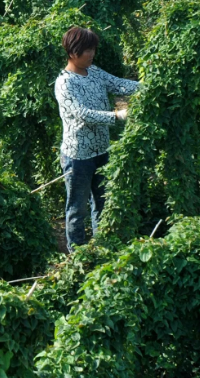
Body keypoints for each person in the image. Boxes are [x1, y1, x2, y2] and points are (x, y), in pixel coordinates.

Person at [54, 26, 138, 252]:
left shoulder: (95, 71)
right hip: (78, 155)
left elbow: (119, 83)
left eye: (93, 49)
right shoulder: (65, 83)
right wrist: (117, 115)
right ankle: (77, 255)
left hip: (102, 150)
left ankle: (101, 248)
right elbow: (82, 113)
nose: (92, 54)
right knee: (77, 207)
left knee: (102, 203)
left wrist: (147, 87)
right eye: (87, 50)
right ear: (72, 52)